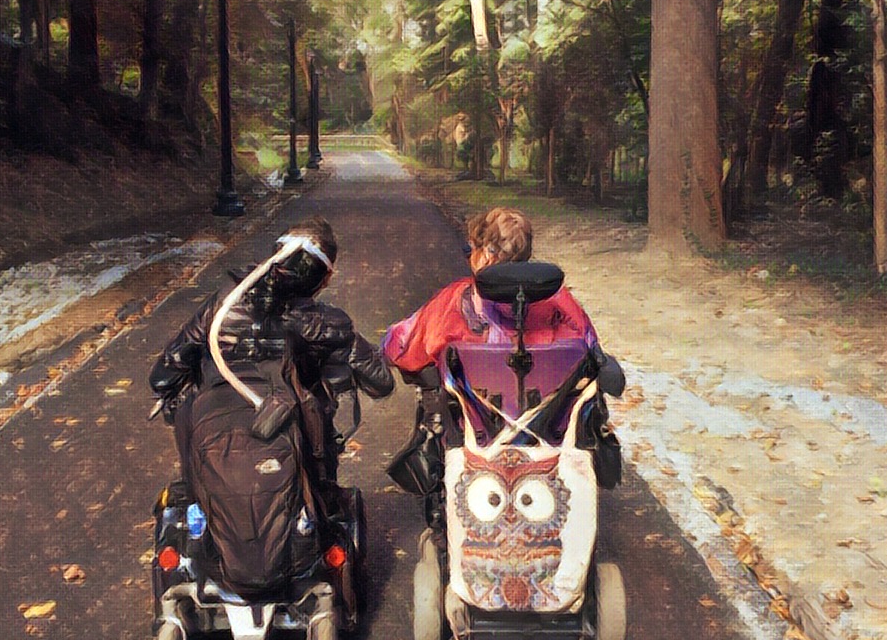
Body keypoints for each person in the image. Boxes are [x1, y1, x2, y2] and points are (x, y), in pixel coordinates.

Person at [149, 216, 393, 514]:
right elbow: (381, 383)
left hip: (213, 445)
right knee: (332, 504)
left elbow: (163, 376)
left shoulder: (220, 308)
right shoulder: (328, 323)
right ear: (324, 278)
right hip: (299, 454)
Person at [382, 206, 624, 398]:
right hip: (548, 430)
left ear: (487, 254)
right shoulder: (561, 303)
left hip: (474, 431)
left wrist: (385, 346)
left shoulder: (453, 302)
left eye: (471, 248)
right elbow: (593, 350)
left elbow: (405, 346)